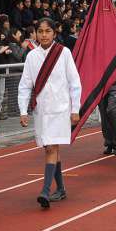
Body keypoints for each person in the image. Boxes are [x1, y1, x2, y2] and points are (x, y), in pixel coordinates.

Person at [19, 18, 81, 208]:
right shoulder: (32, 56)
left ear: (54, 33)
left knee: (51, 148)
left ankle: (45, 191)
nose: (44, 35)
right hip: (41, 111)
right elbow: (25, 85)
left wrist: (75, 109)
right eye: (40, 31)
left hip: (60, 109)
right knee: (50, 148)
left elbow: (74, 83)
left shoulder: (64, 53)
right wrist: (23, 110)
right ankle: (60, 188)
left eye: (48, 31)